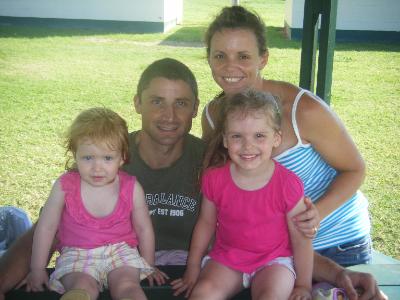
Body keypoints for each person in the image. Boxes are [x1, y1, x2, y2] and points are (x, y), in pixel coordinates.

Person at [0, 58, 386, 300]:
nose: (169, 115)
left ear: (195, 109)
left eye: (181, 103)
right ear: (137, 103)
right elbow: (48, 228)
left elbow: (267, 234)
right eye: (157, 101)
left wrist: (339, 273)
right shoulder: (108, 158)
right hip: (117, 274)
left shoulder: (218, 162)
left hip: (205, 275)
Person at [201, 5, 372, 267]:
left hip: (336, 245)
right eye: (220, 56)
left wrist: (317, 213)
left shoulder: (301, 110)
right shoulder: (213, 116)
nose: (230, 66)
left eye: (244, 56)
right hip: (271, 252)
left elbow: (355, 169)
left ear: (263, 59)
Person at [184, 90, 313, 299]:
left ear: (276, 138)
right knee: (202, 294)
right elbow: (206, 224)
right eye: (237, 136)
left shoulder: (287, 184)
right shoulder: (214, 179)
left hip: (274, 261)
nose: (248, 146)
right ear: (225, 140)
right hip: (227, 259)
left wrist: (304, 285)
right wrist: (192, 267)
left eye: (259, 136)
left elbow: (301, 238)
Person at [25, 108, 155, 300]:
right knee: (82, 288)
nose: (97, 167)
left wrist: (149, 265)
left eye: (107, 158)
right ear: (75, 154)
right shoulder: (65, 186)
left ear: (122, 157)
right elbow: (46, 228)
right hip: (77, 253)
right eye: (88, 157)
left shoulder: (132, 187)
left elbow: (144, 228)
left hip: (120, 251)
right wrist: (37, 269)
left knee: (127, 286)